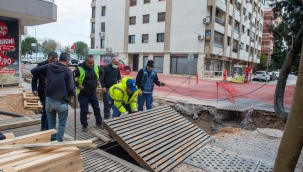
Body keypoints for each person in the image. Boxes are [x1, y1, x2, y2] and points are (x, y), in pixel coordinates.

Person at [31, 53, 75, 142]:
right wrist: (73, 94)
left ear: (59, 59)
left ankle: (53, 141)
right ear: (67, 61)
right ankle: (59, 142)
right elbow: (70, 88)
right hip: (62, 101)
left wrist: (43, 79)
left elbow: (33, 71)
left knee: (51, 124)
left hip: (49, 100)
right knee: (62, 124)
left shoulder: (49, 66)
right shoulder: (67, 71)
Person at [74, 55, 103, 132]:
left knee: (97, 108)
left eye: (92, 63)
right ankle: (84, 125)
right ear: (85, 62)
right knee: (84, 110)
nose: (91, 65)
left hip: (93, 93)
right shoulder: (79, 69)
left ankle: (99, 123)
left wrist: (99, 80)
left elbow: (102, 73)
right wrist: (77, 85)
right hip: (83, 94)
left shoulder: (96, 67)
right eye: (89, 63)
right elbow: (71, 79)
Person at [31, 52, 58, 131]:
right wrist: (34, 89)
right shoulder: (41, 65)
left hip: (54, 92)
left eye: (54, 61)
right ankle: (44, 127)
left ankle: (51, 127)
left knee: (52, 110)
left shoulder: (58, 66)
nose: (52, 63)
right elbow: (34, 78)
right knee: (46, 110)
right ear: (48, 58)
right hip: (43, 91)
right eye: (50, 61)